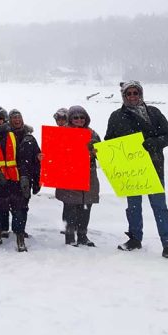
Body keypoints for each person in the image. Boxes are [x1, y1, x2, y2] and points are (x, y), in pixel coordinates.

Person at [106, 81, 168, 261]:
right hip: (130, 170)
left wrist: (155, 143)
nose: (132, 96)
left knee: (159, 206)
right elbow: (109, 142)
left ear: (141, 94)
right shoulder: (116, 117)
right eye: (128, 94)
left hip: (154, 166)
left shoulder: (154, 113)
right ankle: (135, 239)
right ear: (123, 96)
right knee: (133, 207)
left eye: (135, 93)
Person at [0, 106, 39, 252]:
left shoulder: (14, 136)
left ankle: (20, 238)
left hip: (15, 179)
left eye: (1, 118)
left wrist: (24, 176)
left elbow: (22, 159)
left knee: (19, 208)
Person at [55, 105, 101, 247]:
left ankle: (82, 235)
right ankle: (69, 237)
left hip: (89, 175)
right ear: (70, 118)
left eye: (82, 117)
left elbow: (103, 154)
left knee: (85, 207)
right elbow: (55, 155)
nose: (79, 120)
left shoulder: (93, 134)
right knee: (70, 207)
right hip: (69, 176)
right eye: (75, 117)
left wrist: (96, 152)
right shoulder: (62, 133)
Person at [6, 109, 42, 239]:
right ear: (9, 120)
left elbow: (37, 159)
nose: (17, 120)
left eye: (19, 117)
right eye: (14, 117)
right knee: (6, 205)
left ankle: (19, 230)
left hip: (26, 177)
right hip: (9, 176)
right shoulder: (5, 136)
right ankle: (2, 230)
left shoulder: (30, 138)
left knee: (22, 206)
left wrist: (38, 180)